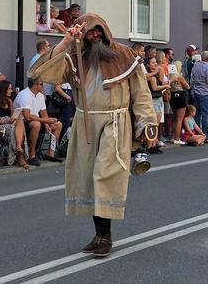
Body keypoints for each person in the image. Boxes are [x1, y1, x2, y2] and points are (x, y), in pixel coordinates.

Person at [29, 13, 158, 257]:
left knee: (104, 176)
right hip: (85, 123)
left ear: (105, 31)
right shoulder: (76, 57)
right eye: (89, 32)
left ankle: (106, 237)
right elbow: (41, 73)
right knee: (87, 178)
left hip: (115, 122)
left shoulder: (124, 55)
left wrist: (147, 123)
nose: (94, 35)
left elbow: (141, 93)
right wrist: (67, 41)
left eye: (97, 30)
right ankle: (99, 234)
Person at [14, 79, 63, 166]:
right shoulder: (25, 95)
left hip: (36, 119)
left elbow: (44, 113)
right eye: (41, 84)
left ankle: (50, 153)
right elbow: (27, 116)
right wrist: (45, 121)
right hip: (22, 122)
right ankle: (32, 155)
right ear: (35, 85)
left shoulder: (40, 95)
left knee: (58, 125)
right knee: (36, 124)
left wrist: (47, 124)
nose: (42, 86)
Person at [0, 81, 29, 170]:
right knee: (16, 129)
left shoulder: (9, 101)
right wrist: (5, 121)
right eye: (9, 89)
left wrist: (14, 115)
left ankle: (18, 147)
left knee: (19, 120)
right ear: (3, 90)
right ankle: (21, 157)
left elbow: (12, 116)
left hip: (10, 123)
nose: (11, 90)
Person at [190, 51, 208, 140]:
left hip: (196, 91)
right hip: (205, 92)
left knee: (197, 114)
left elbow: (192, 78)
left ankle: (198, 133)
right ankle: (205, 134)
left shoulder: (196, 65)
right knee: (206, 114)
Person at [168, 60, 190, 145]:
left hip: (172, 94)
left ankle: (173, 136)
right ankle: (177, 138)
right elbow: (187, 87)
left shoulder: (170, 76)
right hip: (180, 94)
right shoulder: (179, 76)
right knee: (179, 119)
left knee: (174, 118)